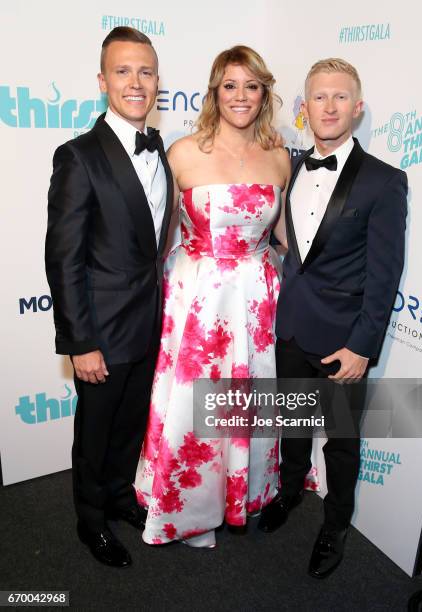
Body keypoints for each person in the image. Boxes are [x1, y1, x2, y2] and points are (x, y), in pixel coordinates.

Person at [134, 45, 291, 548]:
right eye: (230, 85)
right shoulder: (182, 153)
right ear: (214, 92)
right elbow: (154, 238)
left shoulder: (280, 156)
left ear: (264, 92)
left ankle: (240, 494)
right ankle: (188, 507)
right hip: (198, 300)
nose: (240, 96)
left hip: (255, 300)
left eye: (251, 85)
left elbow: (287, 238)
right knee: (194, 407)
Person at [257, 58, 407, 578]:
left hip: (344, 340)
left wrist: (364, 345)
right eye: (318, 97)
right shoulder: (290, 167)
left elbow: (386, 274)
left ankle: (335, 525)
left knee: (341, 443)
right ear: (304, 108)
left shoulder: (385, 182)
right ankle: (291, 491)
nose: (329, 106)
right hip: (293, 325)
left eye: (339, 97)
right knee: (294, 425)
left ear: (357, 108)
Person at [45, 27, 173, 567]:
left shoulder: (159, 146)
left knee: (130, 428)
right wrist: (81, 342)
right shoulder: (77, 156)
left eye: (145, 71)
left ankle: (121, 497)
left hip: (148, 324)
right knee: (94, 435)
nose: (136, 82)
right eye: (123, 71)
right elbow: (64, 259)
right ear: (102, 81)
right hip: (100, 331)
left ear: (157, 81)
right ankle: (90, 521)